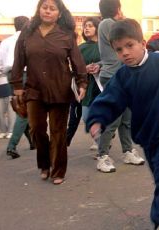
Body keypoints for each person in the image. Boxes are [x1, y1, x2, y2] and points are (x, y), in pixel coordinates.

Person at [86, 19, 159, 230]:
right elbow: (110, 99)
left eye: (129, 45)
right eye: (118, 49)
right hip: (147, 136)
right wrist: (97, 119)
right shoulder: (123, 76)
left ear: (142, 43)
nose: (124, 52)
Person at [10, 0, 87, 185]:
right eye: (45, 7)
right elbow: (18, 60)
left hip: (60, 90)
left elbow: (77, 62)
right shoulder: (27, 34)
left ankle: (58, 170)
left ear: (59, 14)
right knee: (36, 129)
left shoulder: (67, 35)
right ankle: (44, 164)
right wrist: (17, 86)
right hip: (34, 90)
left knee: (58, 131)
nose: (48, 11)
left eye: (53, 8)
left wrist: (82, 83)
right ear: (39, 10)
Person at [93, 0, 145, 174]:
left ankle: (128, 151)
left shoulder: (105, 24)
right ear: (117, 8)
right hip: (115, 77)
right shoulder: (108, 23)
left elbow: (110, 54)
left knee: (127, 119)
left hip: (125, 75)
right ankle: (102, 156)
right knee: (114, 119)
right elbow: (120, 40)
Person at [0, 16, 34, 159]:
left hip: (11, 75)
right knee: (23, 112)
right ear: (28, 25)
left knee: (21, 108)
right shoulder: (29, 39)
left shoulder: (5, 42)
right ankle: (12, 145)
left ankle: (32, 141)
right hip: (26, 74)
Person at [66, 17, 101, 151]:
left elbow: (111, 64)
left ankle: (102, 144)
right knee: (86, 117)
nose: (86, 28)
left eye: (90, 26)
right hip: (83, 86)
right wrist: (83, 69)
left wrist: (100, 67)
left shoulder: (105, 47)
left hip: (100, 86)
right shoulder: (80, 48)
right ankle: (100, 139)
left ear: (98, 28)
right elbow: (71, 67)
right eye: (85, 26)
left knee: (100, 115)